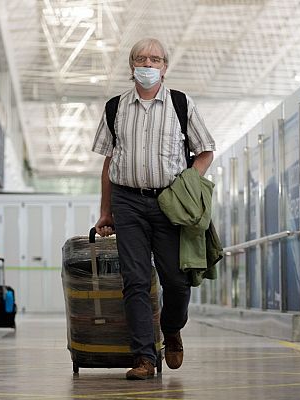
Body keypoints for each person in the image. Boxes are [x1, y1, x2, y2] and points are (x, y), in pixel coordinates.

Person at [91, 38, 216, 380]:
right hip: (127, 201)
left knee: (176, 282)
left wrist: (188, 184)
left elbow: (205, 150)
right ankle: (145, 357)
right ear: (132, 66)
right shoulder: (115, 107)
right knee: (135, 280)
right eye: (141, 59)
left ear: (164, 66)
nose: (148, 64)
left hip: (168, 203)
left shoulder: (180, 104)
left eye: (155, 59)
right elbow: (108, 162)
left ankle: (172, 328)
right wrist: (106, 211)